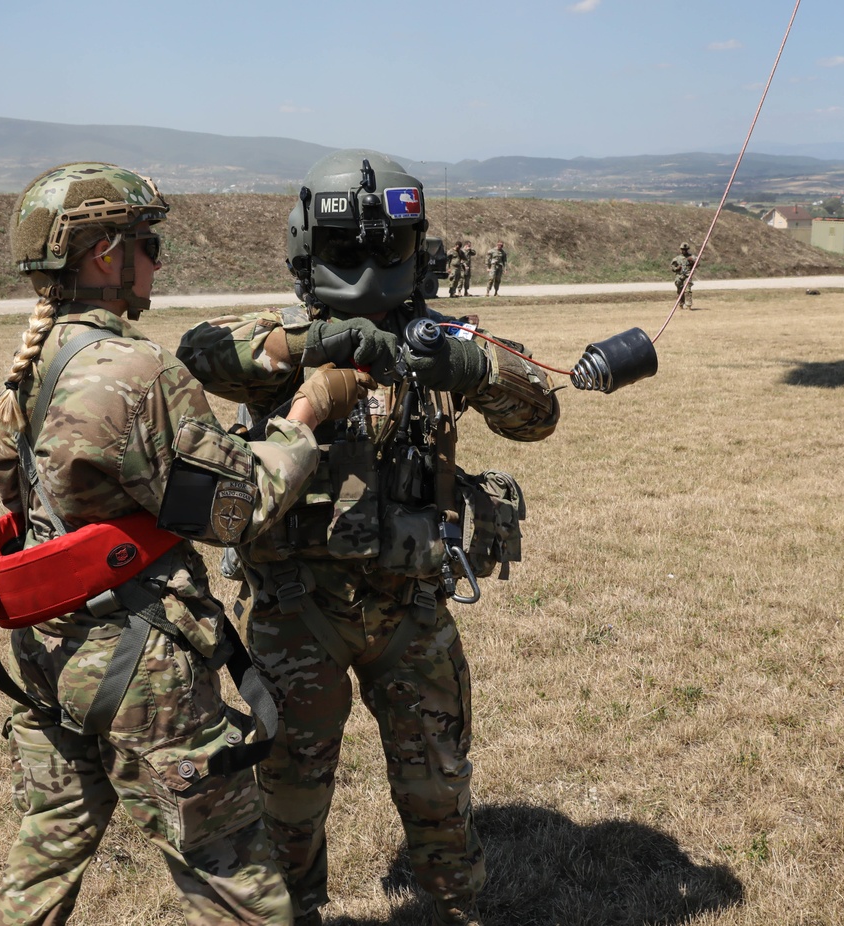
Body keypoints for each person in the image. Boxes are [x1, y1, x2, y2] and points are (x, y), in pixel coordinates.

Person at [0, 161, 371, 925]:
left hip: (47, 648)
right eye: (149, 241)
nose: (158, 258)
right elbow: (237, 508)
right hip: (136, 668)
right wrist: (307, 415)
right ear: (104, 255)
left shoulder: (31, 366)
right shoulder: (135, 370)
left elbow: (15, 481)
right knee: (232, 881)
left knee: (45, 856)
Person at [175, 149, 560, 926]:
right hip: (297, 611)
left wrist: (469, 365)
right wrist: (321, 347)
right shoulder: (284, 343)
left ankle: (453, 908)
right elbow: (199, 349)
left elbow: (540, 413)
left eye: (388, 249)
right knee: (287, 797)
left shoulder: (442, 343)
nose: (372, 267)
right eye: (351, 251)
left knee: (440, 788)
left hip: (411, 610)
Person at [671, 241, 696, 310]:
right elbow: (672, 267)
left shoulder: (692, 257)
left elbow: (697, 264)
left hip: (687, 276)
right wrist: (677, 268)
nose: (684, 251)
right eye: (683, 249)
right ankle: (681, 304)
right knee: (680, 290)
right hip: (679, 276)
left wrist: (692, 261)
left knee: (688, 290)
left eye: (685, 250)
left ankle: (688, 305)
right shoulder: (677, 258)